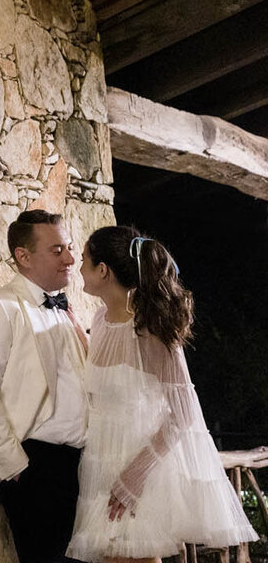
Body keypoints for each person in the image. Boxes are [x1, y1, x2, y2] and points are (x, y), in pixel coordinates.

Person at [66, 226, 256, 563]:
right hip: (103, 461)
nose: (78, 267)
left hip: (139, 466)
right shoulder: (100, 318)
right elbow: (108, 372)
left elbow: (183, 414)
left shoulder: (150, 332)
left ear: (103, 271)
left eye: (83, 260)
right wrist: (76, 337)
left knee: (134, 556)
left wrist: (135, 476)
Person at [0, 209, 89, 563]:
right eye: (57, 250)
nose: (70, 259)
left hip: (83, 465)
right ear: (23, 256)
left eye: (69, 248)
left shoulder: (65, 310)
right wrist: (16, 468)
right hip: (38, 468)